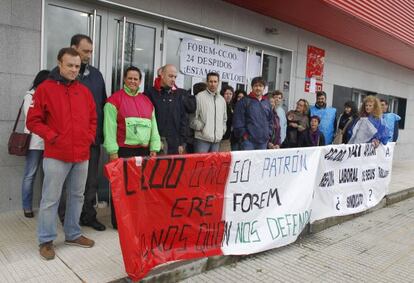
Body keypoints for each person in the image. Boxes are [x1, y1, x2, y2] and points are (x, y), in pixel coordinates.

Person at [27, 48, 97, 260]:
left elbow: (93, 118)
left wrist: (88, 138)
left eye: (77, 66)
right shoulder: (45, 89)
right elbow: (33, 121)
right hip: (57, 154)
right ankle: (46, 240)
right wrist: (53, 136)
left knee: (77, 196)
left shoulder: (84, 91)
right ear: (59, 64)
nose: (74, 70)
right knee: (50, 199)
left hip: (82, 154)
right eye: (70, 65)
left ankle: (73, 234)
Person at [58, 34, 107, 231]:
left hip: (92, 139)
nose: (88, 55)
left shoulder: (96, 75)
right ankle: (66, 217)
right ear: (73, 49)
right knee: (65, 182)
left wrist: (100, 134)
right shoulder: (59, 76)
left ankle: (88, 215)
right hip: (68, 141)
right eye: (85, 51)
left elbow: (102, 105)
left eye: (90, 52)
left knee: (91, 182)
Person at [103, 66, 161, 229]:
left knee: (140, 188)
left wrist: (154, 147)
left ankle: (136, 219)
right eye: (130, 78)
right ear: (124, 79)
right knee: (121, 188)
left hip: (143, 151)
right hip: (123, 151)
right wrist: (112, 151)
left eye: (136, 79)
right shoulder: (114, 101)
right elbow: (109, 128)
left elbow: (153, 127)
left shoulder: (147, 101)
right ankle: (119, 222)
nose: (133, 81)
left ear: (140, 81)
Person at [21, 70, 50, 218]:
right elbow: (32, 118)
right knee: (30, 175)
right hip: (34, 143)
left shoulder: (46, 95)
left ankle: (47, 206)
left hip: (48, 143)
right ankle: (27, 207)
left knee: (48, 176)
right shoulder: (30, 96)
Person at [145, 64, 190, 155]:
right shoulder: (150, 93)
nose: (173, 79)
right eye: (170, 76)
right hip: (156, 142)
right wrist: (152, 141)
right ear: (161, 74)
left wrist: (181, 142)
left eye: (175, 77)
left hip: (175, 143)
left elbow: (183, 119)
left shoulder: (178, 94)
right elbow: (146, 120)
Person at [233, 77, 273, 150]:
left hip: (263, 142)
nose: (258, 88)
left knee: (260, 161)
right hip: (248, 142)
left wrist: (268, 134)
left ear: (264, 88)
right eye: (256, 86)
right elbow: (238, 121)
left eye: (260, 86)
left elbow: (270, 121)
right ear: (252, 87)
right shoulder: (244, 101)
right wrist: (244, 136)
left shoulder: (267, 103)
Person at [190, 72, 227, 153]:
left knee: (213, 165)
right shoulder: (199, 97)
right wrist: (201, 127)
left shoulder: (222, 100)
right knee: (200, 164)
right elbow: (192, 117)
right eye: (210, 81)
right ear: (207, 82)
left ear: (218, 82)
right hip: (202, 140)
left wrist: (222, 130)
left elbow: (224, 119)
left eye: (215, 81)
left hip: (216, 140)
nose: (213, 84)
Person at [219, 85, 234, 152]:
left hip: (227, 137)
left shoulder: (231, 106)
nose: (228, 96)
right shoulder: (220, 105)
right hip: (220, 137)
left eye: (230, 94)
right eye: (226, 94)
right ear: (222, 94)